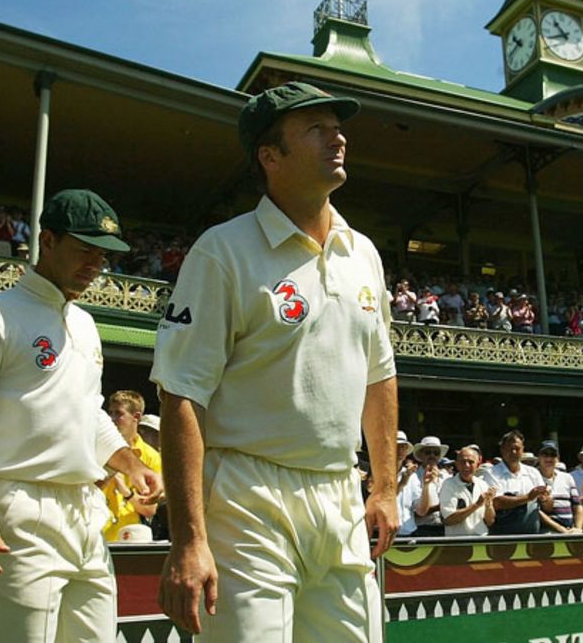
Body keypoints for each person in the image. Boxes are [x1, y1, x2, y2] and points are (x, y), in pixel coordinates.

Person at [152, 82, 398, 640]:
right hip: (246, 497)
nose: (338, 137)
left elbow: (379, 376)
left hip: (340, 493)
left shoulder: (364, 254)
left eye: (338, 127)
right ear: (270, 156)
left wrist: (384, 486)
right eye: (316, 129)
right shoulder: (223, 251)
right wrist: (188, 539)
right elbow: (180, 396)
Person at [0, 189, 162, 642]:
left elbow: (88, 413)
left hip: (83, 515)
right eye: (84, 250)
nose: (95, 264)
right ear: (47, 241)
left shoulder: (85, 324)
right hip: (15, 509)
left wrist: (130, 464)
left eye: (104, 255)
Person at [100, 390, 163, 542]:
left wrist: (125, 490)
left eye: (118, 414)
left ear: (136, 417)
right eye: (110, 413)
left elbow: (149, 510)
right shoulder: (96, 448)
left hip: (132, 541)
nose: (111, 419)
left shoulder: (152, 457)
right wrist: (109, 474)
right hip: (97, 533)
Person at [485, 430, 551, 535]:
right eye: (510, 449)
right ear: (502, 450)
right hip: (503, 536)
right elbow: (496, 503)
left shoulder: (533, 472)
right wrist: (528, 498)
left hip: (532, 535)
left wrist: (546, 500)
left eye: (517, 449)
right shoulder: (491, 473)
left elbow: (548, 507)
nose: (514, 452)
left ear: (523, 449)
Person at [440, 446, 495, 536]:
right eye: (463, 462)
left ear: (477, 465)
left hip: (481, 540)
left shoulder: (483, 485)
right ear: (457, 464)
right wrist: (476, 505)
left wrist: (489, 506)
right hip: (459, 542)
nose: (467, 465)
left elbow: (490, 521)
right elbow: (449, 519)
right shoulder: (448, 484)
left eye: (471, 462)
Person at [535, 440, 583, 534]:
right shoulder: (532, 477)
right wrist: (560, 529)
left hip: (570, 532)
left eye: (552, 455)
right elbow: (535, 511)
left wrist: (578, 528)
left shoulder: (567, 477)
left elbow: (577, 506)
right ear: (538, 457)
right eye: (545, 454)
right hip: (544, 532)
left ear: (557, 458)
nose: (549, 458)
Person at [411, 436, 448, 537]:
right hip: (421, 529)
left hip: (444, 528)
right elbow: (414, 510)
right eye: (428, 452)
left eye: (436, 453)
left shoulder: (446, 477)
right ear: (420, 455)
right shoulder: (412, 477)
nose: (432, 456)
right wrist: (439, 507)